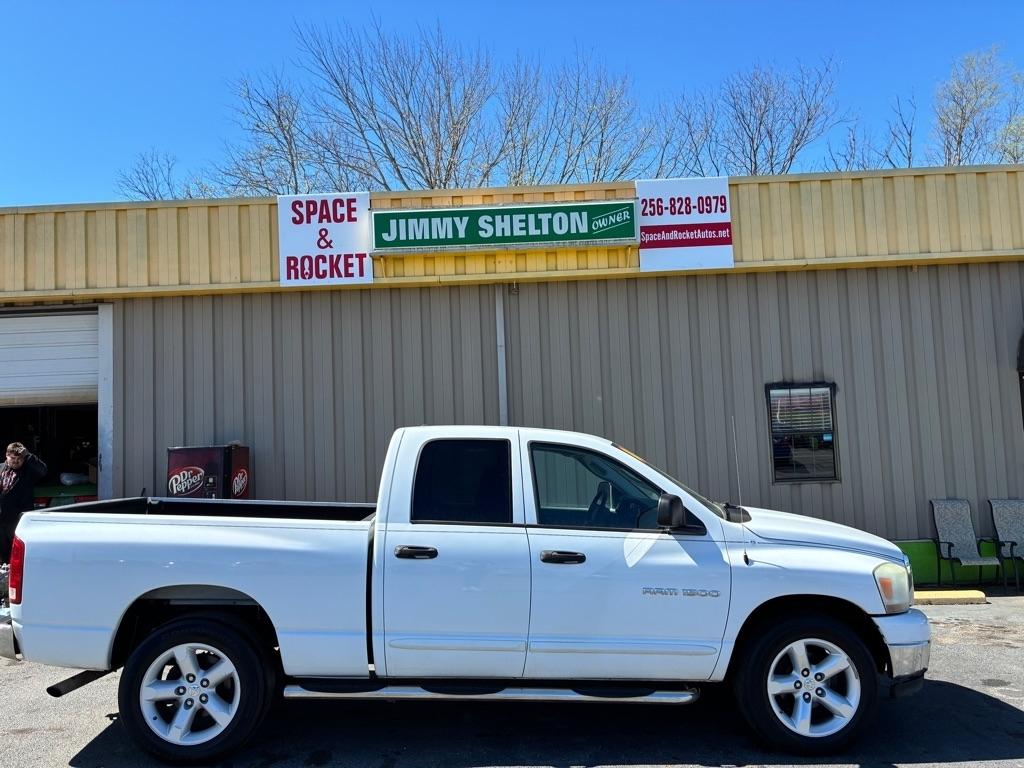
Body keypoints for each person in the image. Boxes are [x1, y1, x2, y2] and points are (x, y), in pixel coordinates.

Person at [1, 442, 47, 564]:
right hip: (1, 519)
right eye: (13, 458)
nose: (16, 461)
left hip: (19, 519)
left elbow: (43, 470)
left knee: (18, 553)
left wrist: (28, 455)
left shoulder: (28, 471)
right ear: (6, 455)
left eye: (19, 459)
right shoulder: (0, 468)